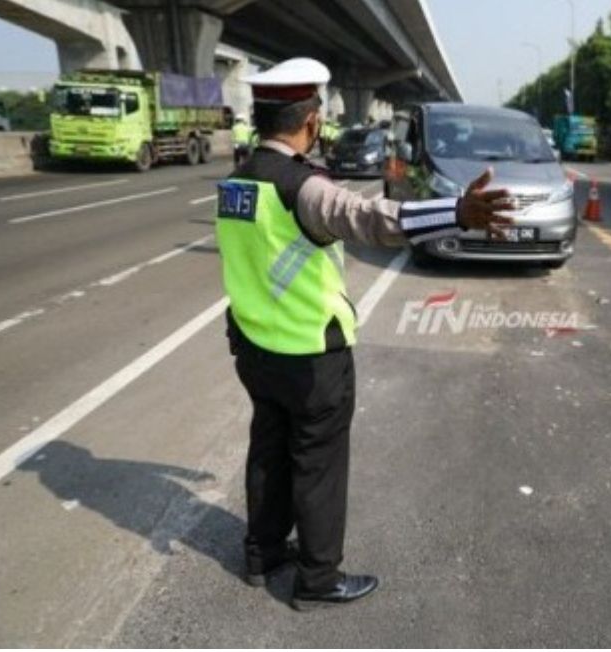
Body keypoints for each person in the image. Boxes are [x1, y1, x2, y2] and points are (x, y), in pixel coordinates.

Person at [215, 57, 514, 611]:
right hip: (309, 354)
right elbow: (370, 218)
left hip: (254, 348)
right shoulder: (300, 187)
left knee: (269, 450)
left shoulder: (235, 183)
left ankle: (262, 554)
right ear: (309, 123)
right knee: (318, 464)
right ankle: (318, 578)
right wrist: (457, 212)